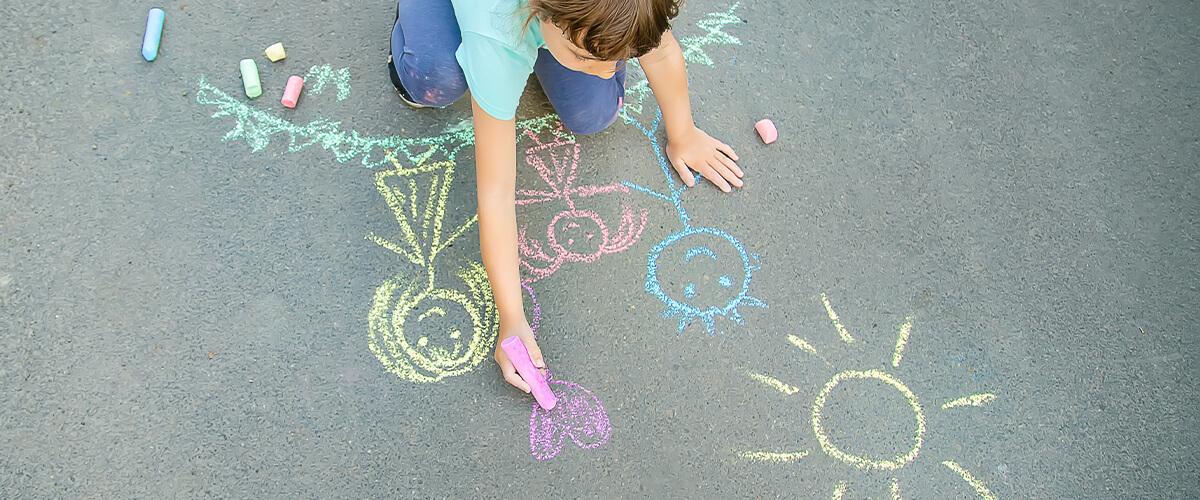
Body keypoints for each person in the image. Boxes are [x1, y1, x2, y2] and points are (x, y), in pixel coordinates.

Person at [388, 0, 744, 392]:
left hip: (556, 22)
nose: (606, 71)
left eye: (616, 59)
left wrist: (684, 133)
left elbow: (658, 50)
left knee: (594, 113)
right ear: (543, 13)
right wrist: (511, 317)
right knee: (432, 79)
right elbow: (497, 191)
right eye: (589, 56)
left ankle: (560, 48)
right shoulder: (496, 33)